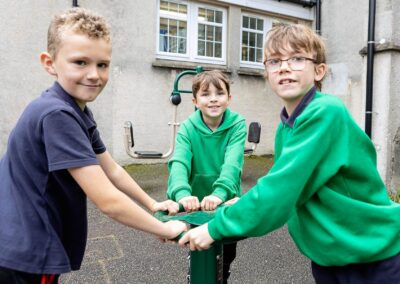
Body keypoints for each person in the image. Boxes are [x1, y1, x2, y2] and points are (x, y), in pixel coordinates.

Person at [179, 24, 400, 283]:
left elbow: (280, 191)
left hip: (370, 252)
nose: (284, 67)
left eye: (296, 58)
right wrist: (244, 202)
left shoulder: (325, 112)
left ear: (319, 71)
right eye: (274, 61)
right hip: (330, 255)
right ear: (267, 73)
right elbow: (285, 180)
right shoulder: (287, 125)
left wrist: (216, 228)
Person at [0, 7, 185, 284]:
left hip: (23, 242)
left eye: (102, 64)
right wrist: (164, 228)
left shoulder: (76, 110)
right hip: (25, 250)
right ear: (49, 63)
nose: (94, 74)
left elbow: (111, 170)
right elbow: (107, 200)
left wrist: (152, 202)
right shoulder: (57, 114)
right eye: (80, 62)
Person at [167, 70, 247, 283]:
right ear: (195, 100)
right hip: (197, 205)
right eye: (205, 94)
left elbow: (232, 164)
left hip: (224, 203)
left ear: (228, 99)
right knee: (199, 251)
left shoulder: (237, 125)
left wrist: (220, 193)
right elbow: (180, 163)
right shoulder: (187, 128)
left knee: (226, 257)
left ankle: (223, 277)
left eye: (219, 93)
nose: (213, 98)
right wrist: (182, 193)